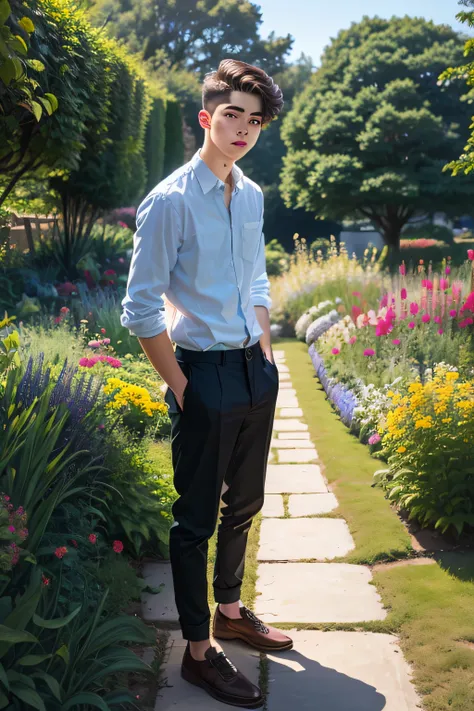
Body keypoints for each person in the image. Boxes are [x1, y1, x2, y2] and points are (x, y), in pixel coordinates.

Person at [121, 58, 293, 708]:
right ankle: (199, 651)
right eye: (233, 116)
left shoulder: (250, 195)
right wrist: (185, 389)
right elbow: (140, 307)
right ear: (206, 119)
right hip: (204, 378)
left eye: (255, 120)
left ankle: (230, 608)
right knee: (194, 523)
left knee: (244, 504)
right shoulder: (169, 201)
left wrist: (267, 351)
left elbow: (254, 278)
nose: (244, 129)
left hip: (254, 372)